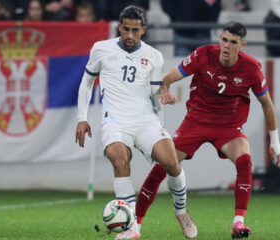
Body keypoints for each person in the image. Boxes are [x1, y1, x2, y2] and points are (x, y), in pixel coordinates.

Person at [120, 21, 280, 239]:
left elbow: (267, 104)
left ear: (242, 45)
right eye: (224, 40)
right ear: (220, 39)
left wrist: (275, 141)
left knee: (244, 159)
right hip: (195, 122)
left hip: (228, 126)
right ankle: (136, 227)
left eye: (233, 42)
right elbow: (166, 79)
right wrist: (165, 91)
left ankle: (238, 223)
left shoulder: (251, 68)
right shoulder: (203, 55)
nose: (227, 46)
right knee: (162, 166)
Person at [75, 5, 195, 240]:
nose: (130, 35)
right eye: (126, 29)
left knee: (171, 161)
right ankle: (133, 227)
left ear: (144, 30)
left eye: (135, 30)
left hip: (146, 120)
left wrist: (162, 94)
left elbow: (154, 93)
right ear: (119, 27)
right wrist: (82, 119)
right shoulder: (101, 49)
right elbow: (86, 83)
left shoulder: (153, 56)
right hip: (116, 121)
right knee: (120, 159)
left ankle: (181, 212)